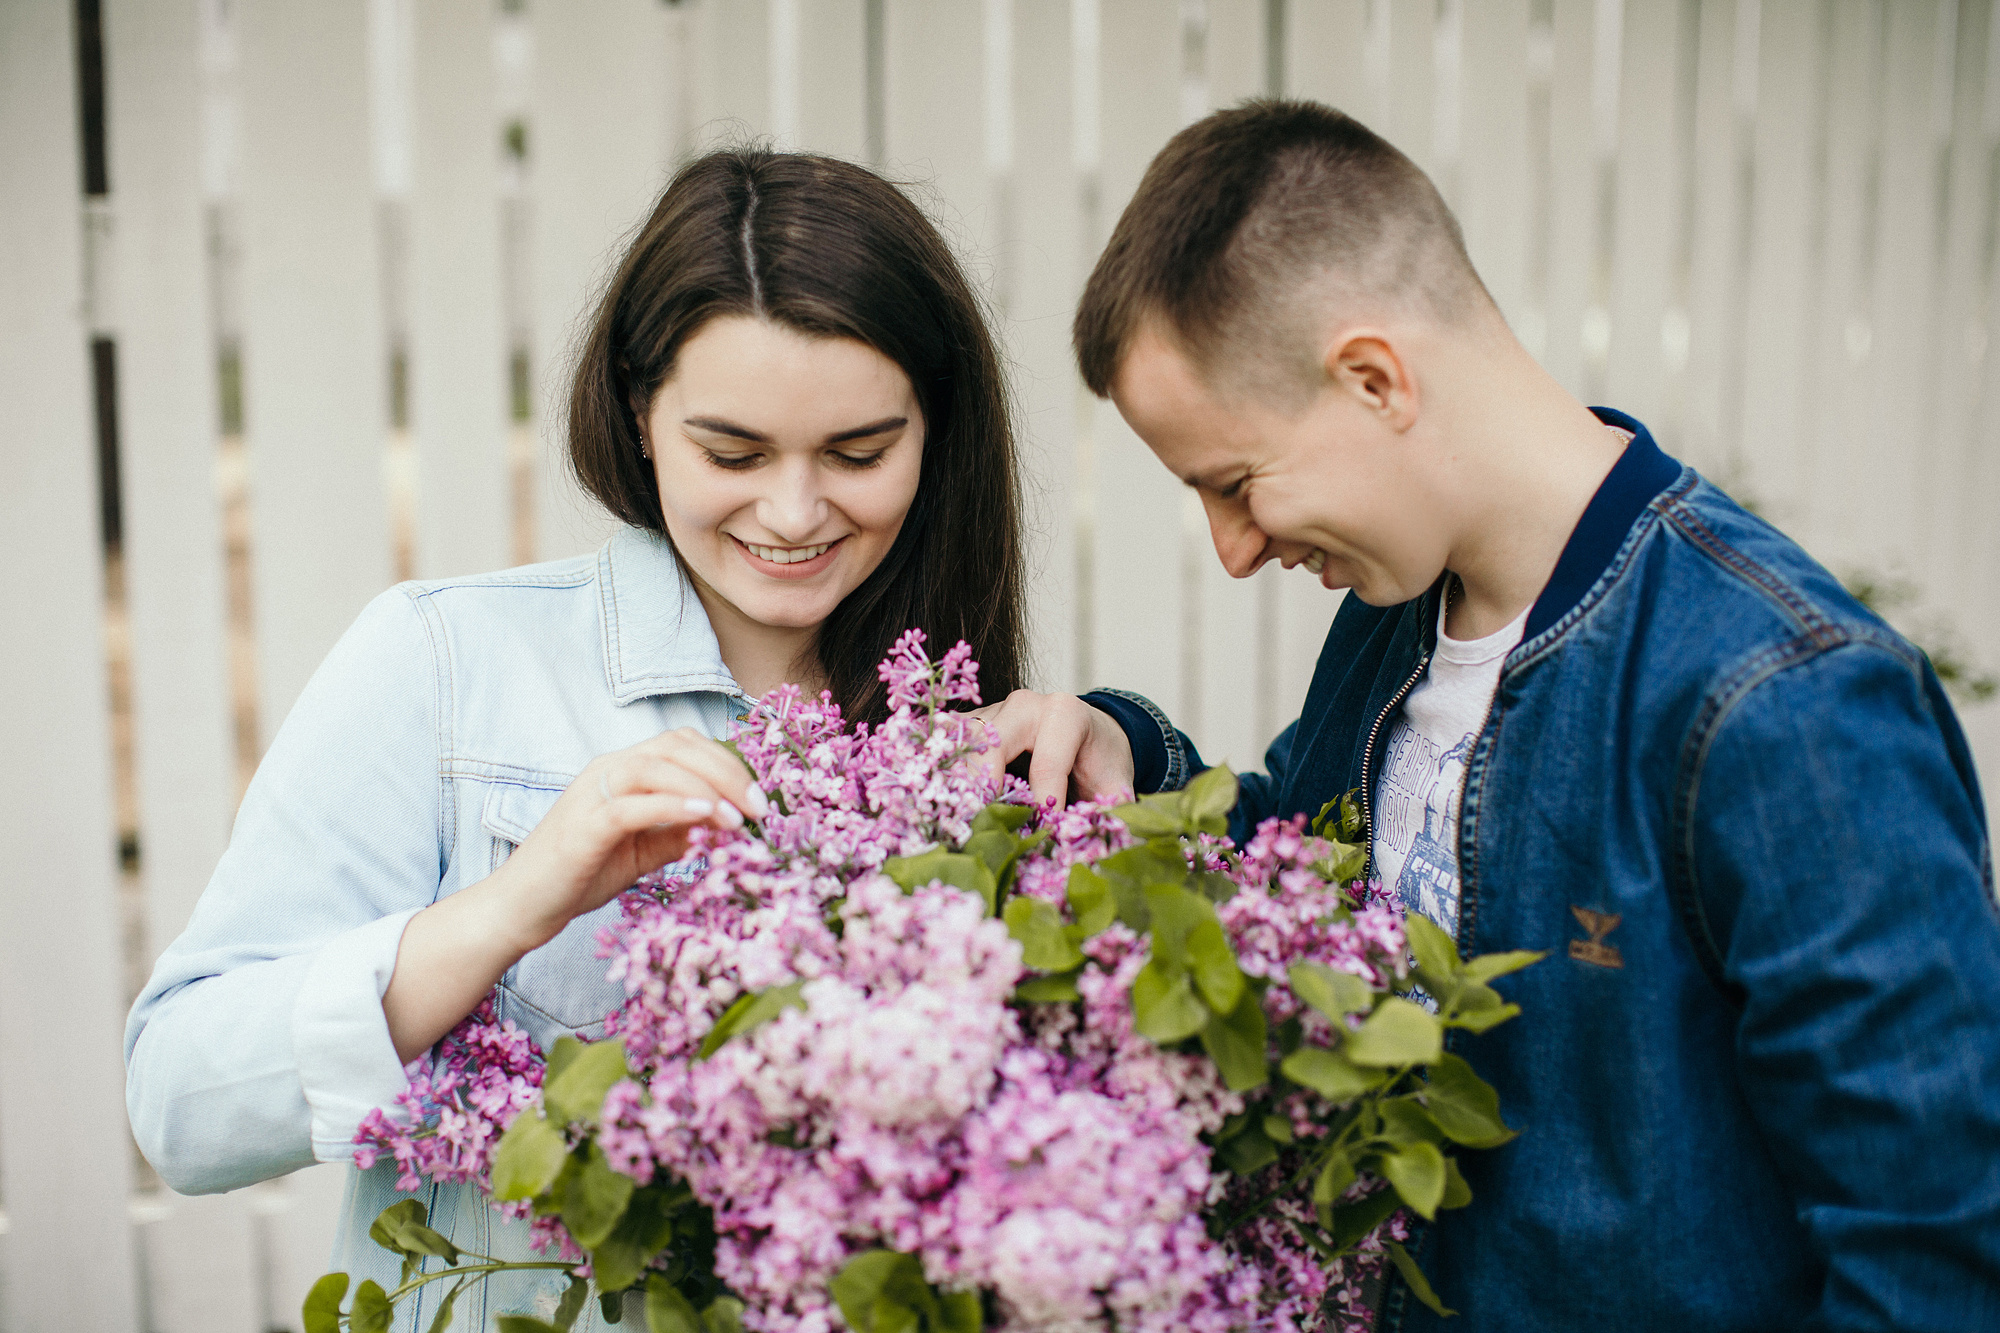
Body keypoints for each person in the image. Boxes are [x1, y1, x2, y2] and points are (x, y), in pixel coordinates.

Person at [981, 100, 2000, 1329]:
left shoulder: (1784, 701)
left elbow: (1931, 1248)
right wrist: (1125, 751)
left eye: (1234, 483)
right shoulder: (1399, 608)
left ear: (1372, 378)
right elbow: (1304, 865)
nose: (1233, 548)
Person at [125, 147, 1036, 1329]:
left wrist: (1117, 752)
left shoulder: (958, 726)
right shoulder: (443, 663)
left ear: (935, 433)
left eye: (859, 454)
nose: (796, 512)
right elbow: (182, 1103)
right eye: (733, 452)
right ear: (637, 415)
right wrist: (515, 903)